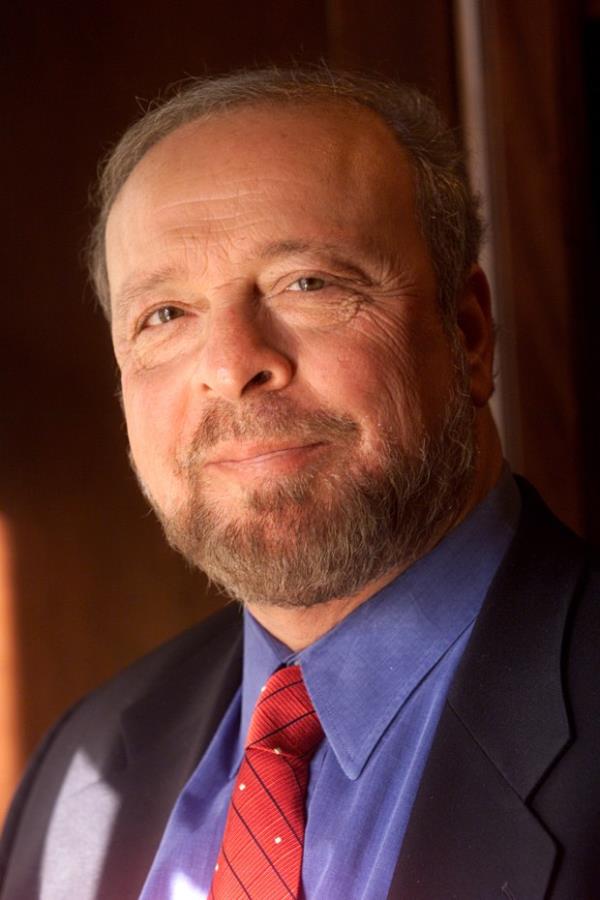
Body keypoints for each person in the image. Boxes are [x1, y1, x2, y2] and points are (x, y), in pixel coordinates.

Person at [1, 66, 598, 900]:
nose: (232, 365)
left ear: (466, 336)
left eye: (308, 283)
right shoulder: (79, 774)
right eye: (164, 315)